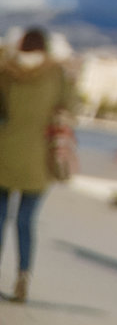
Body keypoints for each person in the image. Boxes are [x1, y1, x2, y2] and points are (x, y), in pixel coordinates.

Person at [0, 26, 77, 303]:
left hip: (4, 154)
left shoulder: (6, 72)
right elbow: (70, 107)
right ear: (45, 48)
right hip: (39, 159)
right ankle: (23, 276)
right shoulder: (56, 74)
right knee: (25, 221)